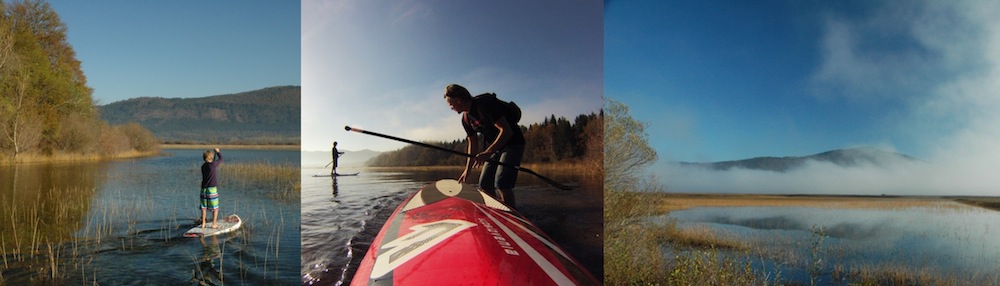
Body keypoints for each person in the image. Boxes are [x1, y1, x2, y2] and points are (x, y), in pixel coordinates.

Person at [443, 84, 525, 208]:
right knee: (484, 185)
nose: (450, 107)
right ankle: (495, 211)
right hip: (492, 149)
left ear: (458, 99)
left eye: (450, 104)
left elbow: (506, 131)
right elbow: (473, 144)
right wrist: (468, 169)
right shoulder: (465, 119)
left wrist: (488, 152)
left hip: (512, 143)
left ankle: (512, 215)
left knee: (502, 183)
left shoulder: (484, 104)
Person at [200, 148, 223, 228]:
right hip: (211, 189)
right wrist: (218, 152)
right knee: (215, 207)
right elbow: (221, 159)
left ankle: (203, 223)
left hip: (203, 189)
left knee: (204, 207)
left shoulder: (203, 166)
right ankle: (214, 224)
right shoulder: (213, 165)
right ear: (211, 158)